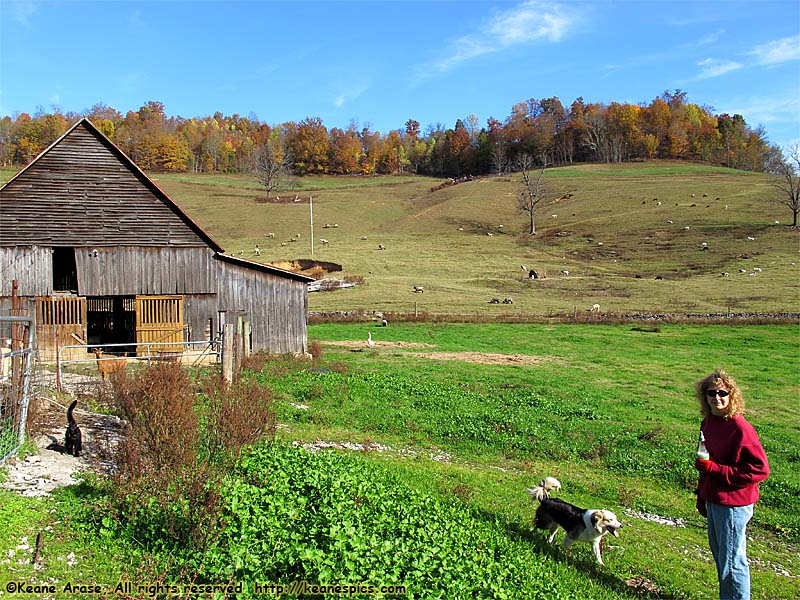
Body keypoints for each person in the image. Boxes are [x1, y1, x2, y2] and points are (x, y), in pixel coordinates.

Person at [694, 368, 769, 600]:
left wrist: (715, 470)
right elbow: (704, 460)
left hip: (733, 503)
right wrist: (702, 494)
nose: (717, 398)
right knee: (720, 556)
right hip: (714, 497)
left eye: (722, 393)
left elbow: (760, 469)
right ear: (704, 396)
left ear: (731, 395)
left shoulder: (740, 428)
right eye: (711, 393)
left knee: (732, 561)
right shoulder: (708, 422)